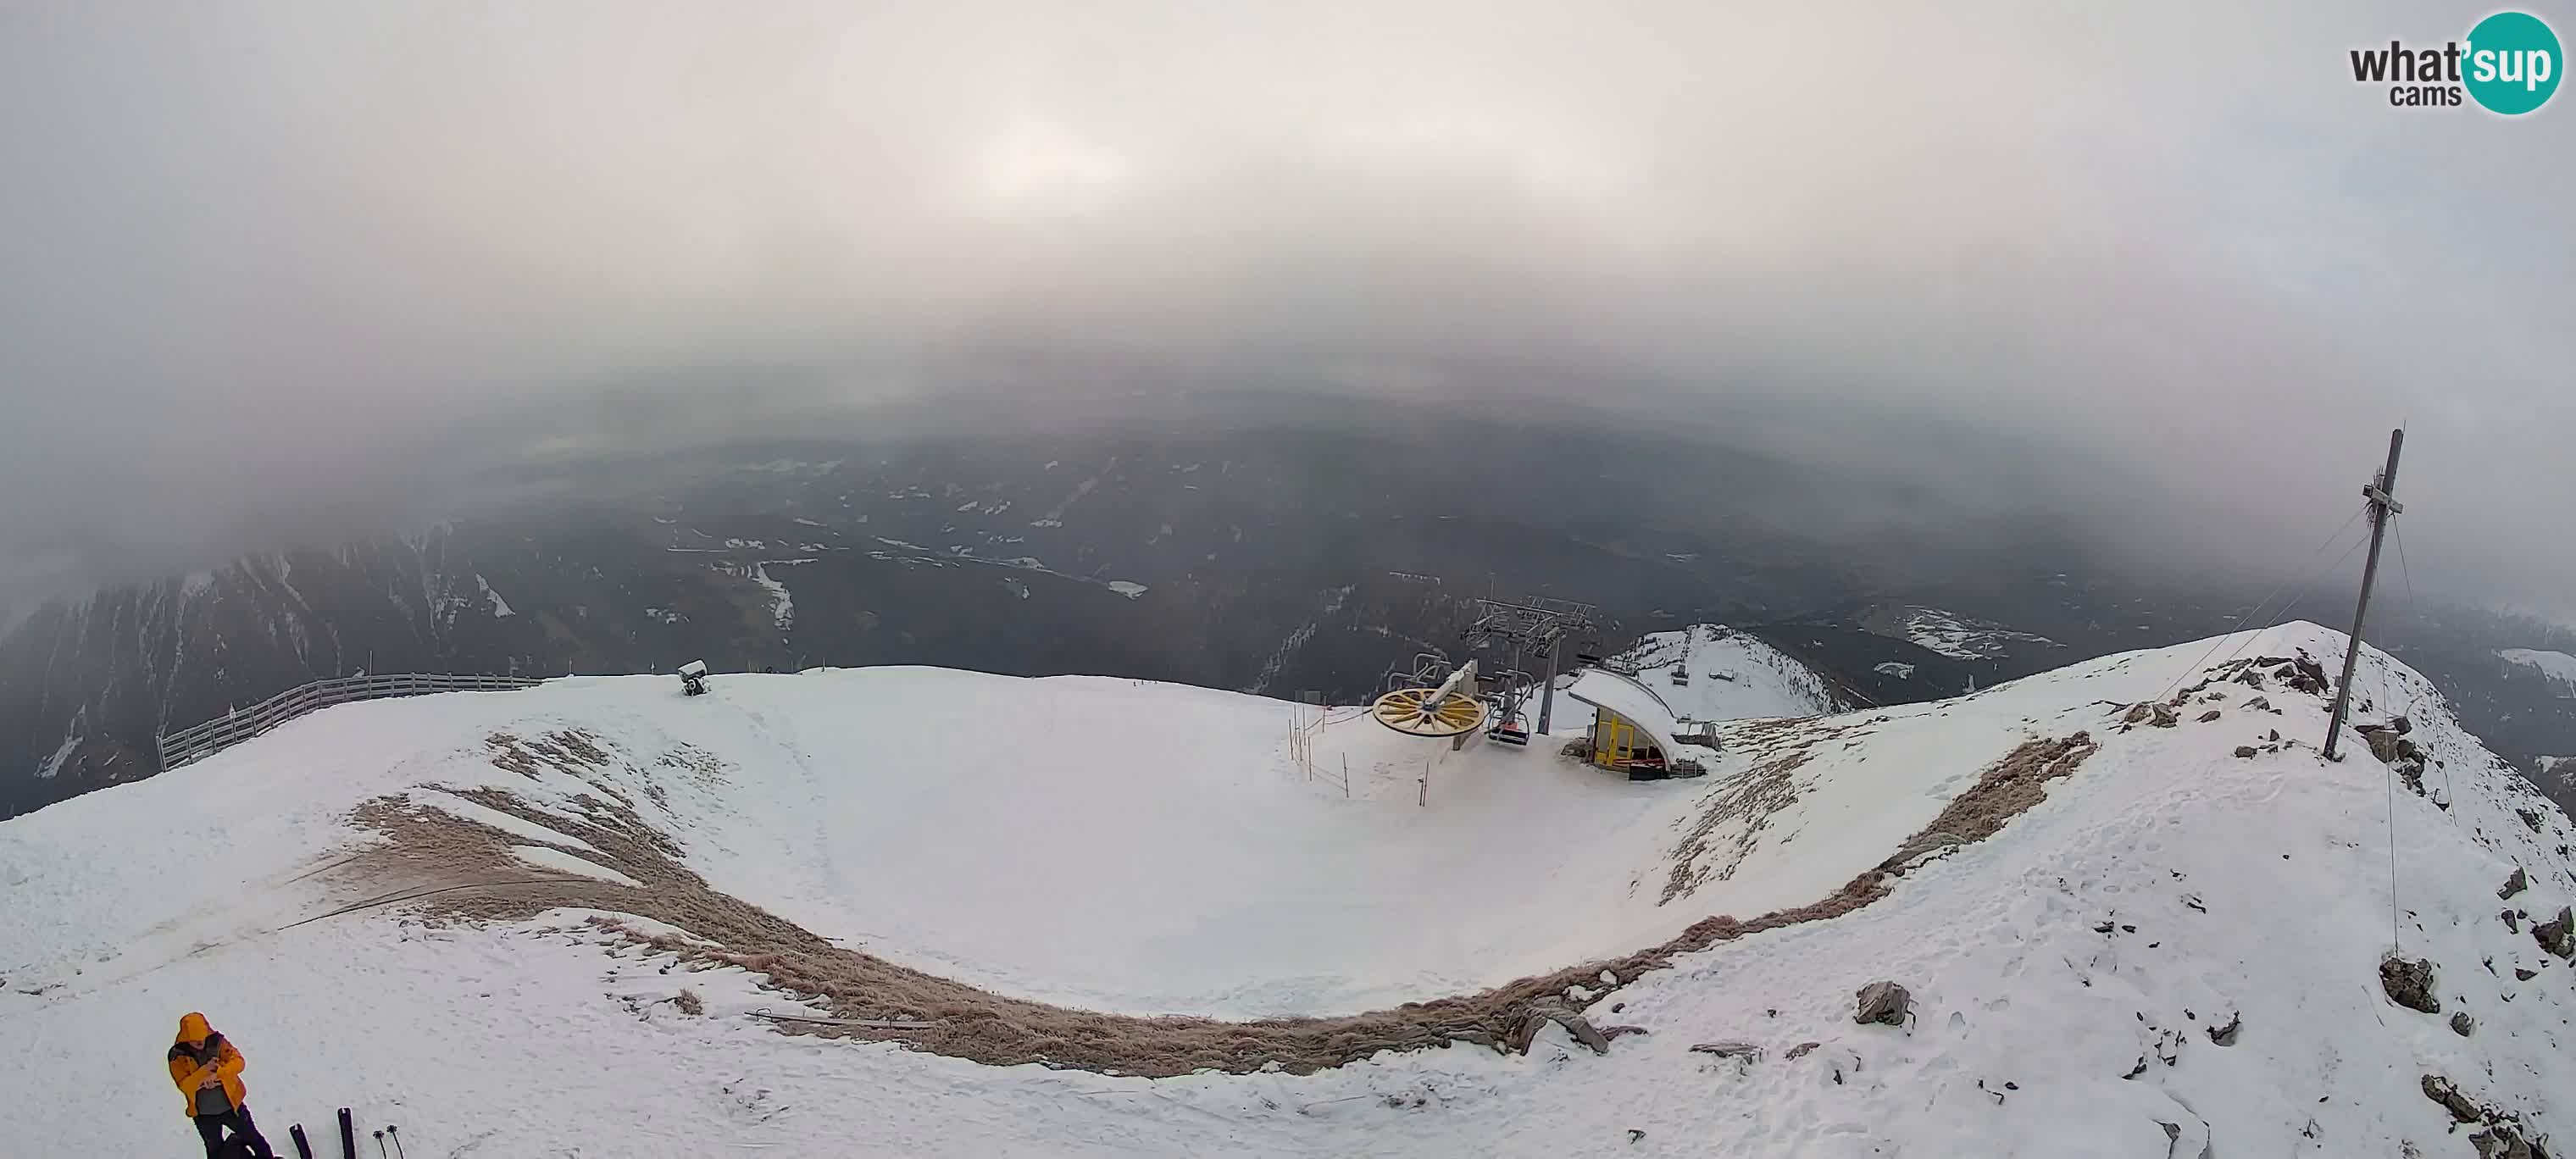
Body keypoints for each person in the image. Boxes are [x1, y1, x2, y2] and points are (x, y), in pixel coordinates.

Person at [168, 1012, 276, 1159]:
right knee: (214, 1151)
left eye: (202, 1038)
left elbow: (239, 1062)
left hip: (233, 1108)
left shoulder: (218, 1043)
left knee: (254, 1139)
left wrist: (218, 1073)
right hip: (204, 1115)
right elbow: (184, 1086)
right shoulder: (177, 1056)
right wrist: (204, 1072)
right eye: (195, 1040)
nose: (200, 1043)